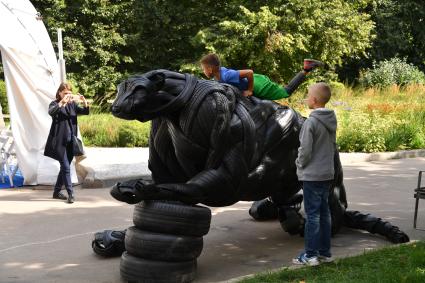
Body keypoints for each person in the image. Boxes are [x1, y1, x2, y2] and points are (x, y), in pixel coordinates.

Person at [292, 82, 337, 266]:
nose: (306, 97)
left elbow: (305, 151)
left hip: (312, 176)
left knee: (312, 215)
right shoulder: (331, 120)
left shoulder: (310, 122)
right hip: (326, 174)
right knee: (324, 213)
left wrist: (298, 164)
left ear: (314, 100)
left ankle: (310, 256)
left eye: (308, 95)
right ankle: (325, 253)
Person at [200, 53, 323, 99]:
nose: (203, 71)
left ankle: (306, 68)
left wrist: (249, 90)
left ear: (210, 69)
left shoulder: (226, 76)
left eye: (203, 69)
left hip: (259, 85)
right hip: (255, 82)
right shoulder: (216, 77)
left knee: (286, 92)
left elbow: (249, 72)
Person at [44, 82, 89, 204]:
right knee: (65, 167)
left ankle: (56, 192)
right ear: (60, 93)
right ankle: (71, 194)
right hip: (59, 141)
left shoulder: (72, 105)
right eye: (65, 93)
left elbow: (84, 111)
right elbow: (51, 112)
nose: (68, 95)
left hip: (71, 141)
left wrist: (84, 102)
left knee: (65, 167)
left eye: (69, 93)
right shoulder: (55, 104)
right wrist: (62, 102)